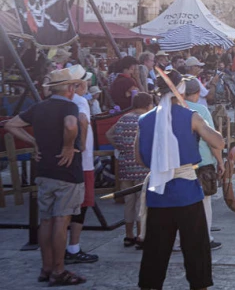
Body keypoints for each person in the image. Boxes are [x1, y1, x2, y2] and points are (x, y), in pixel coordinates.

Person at [136, 69, 224, 290]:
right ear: (180, 90)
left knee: (155, 251)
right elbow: (218, 142)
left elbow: (139, 158)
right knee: (196, 250)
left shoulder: (144, 120)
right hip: (187, 192)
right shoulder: (191, 116)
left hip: (158, 192)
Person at [3, 68, 87, 286]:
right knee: (61, 219)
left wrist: (34, 142)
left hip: (44, 169)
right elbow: (71, 125)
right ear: (70, 88)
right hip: (66, 171)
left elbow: (10, 124)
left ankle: (47, 267)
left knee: (46, 220)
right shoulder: (69, 106)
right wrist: (68, 145)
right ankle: (58, 270)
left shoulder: (39, 107)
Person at [105, 92, 153, 249]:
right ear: (148, 105)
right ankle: (141, 236)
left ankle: (128, 235)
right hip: (142, 166)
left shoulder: (124, 118)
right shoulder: (146, 119)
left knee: (128, 202)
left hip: (125, 166)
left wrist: (121, 146)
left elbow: (109, 134)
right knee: (141, 203)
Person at [184, 79, 225, 251]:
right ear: (196, 93)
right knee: (204, 202)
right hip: (202, 162)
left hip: (180, 163)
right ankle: (205, 238)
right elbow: (212, 141)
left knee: (181, 204)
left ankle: (179, 241)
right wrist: (220, 161)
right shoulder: (200, 110)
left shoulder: (171, 110)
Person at [65, 65, 99, 266]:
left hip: (70, 160)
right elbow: (83, 121)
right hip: (82, 161)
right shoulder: (80, 101)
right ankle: (73, 247)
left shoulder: (65, 101)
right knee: (82, 204)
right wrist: (82, 145)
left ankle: (64, 248)